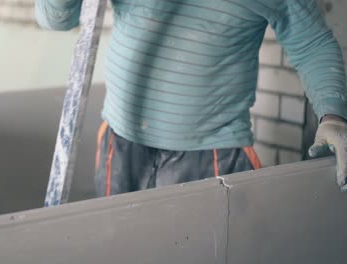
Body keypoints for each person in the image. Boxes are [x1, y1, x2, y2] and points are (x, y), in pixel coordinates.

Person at [35, 0, 347, 196]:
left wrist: (332, 116)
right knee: (119, 247)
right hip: (121, 144)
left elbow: (313, 44)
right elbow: (55, 19)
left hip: (209, 154)